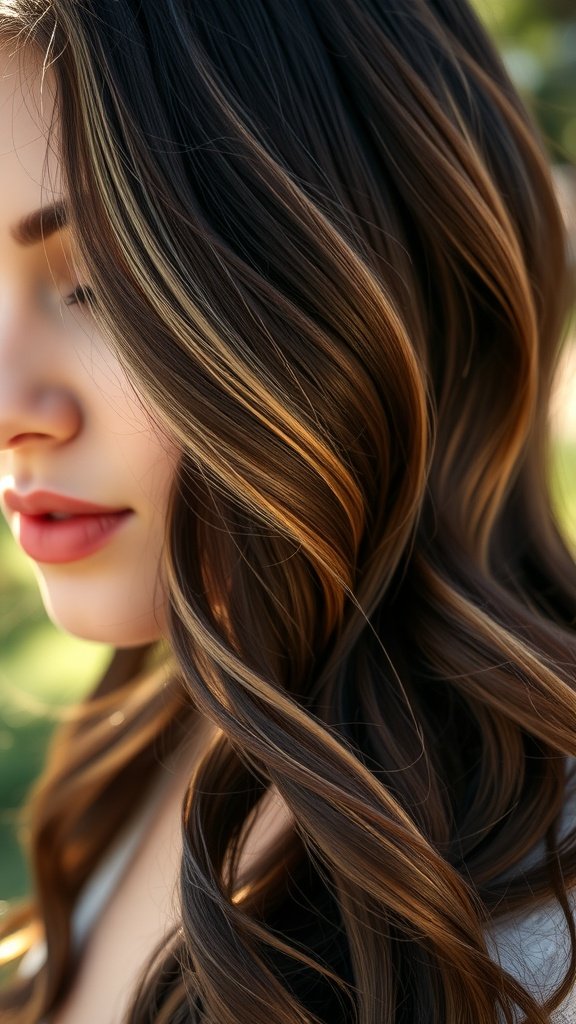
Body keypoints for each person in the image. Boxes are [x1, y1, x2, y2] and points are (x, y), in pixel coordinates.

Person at [0, 0, 575, 1021]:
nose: (11, 408)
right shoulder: (174, 722)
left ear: (362, 281)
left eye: (96, 282)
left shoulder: (540, 917)